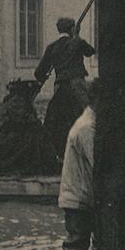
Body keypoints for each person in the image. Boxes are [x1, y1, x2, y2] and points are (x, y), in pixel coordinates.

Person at [35, 18, 96, 159]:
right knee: (85, 115)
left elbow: (39, 73)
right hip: (77, 85)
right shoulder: (77, 42)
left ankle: (62, 152)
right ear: (72, 29)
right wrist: (77, 37)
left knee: (59, 119)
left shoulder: (52, 47)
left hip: (60, 86)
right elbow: (91, 51)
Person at [58, 78, 101, 250]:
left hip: (83, 198)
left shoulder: (90, 122)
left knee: (88, 248)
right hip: (78, 201)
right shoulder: (86, 128)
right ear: (98, 100)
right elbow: (98, 163)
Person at [0, 79, 60, 175]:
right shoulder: (19, 103)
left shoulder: (7, 104)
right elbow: (33, 126)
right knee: (38, 133)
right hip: (3, 154)